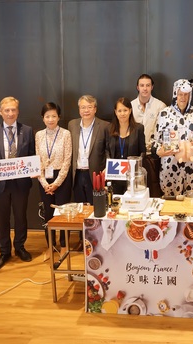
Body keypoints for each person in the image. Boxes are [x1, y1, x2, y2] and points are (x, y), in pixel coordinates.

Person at [0, 97, 35, 272]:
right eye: (7, 110)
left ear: (18, 111)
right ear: (0, 112)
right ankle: (4, 252)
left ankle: (19, 247)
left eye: (13, 110)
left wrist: (34, 168)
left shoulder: (27, 131)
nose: (10, 113)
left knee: (20, 217)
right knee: (2, 219)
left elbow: (33, 155)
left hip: (21, 184)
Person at [68, 95, 109, 250]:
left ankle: (97, 240)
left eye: (89, 107)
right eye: (83, 107)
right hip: (77, 173)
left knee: (96, 208)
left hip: (96, 174)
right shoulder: (72, 125)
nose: (86, 110)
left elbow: (107, 150)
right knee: (80, 208)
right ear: (79, 109)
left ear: (95, 109)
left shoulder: (104, 126)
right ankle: (82, 240)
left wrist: (106, 170)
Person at [152, 79, 193, 196]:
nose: (183, 98)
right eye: (180, 94)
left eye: (186, 95)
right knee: (171, 206)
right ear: (175, 94)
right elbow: (155, 140)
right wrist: (160, 151)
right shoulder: (164, 114)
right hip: (170, 168)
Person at [35, 102, 72, 261]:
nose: (51, 119)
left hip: (61, 178)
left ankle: (64, 245)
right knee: (48, 215)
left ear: (59, 117)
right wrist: (44, 183)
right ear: (43, 118)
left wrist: (57, 182)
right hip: (44, 178)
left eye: (54, 116)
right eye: (47, 116)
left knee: (62, 214)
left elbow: (67, 160)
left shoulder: (66, 134)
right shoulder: (38, 135)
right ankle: (51, 246)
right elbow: (37, 160)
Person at [131, 74, 166, 197]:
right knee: (135, 188)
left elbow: (163, 133)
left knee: (154, 188)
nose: (145, 88)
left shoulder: (160, 106)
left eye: (147, 85)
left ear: (152, 87)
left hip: (153, 155)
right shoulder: (130, 106)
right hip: (135, 156)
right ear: (137, 87)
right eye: (142, 85)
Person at [107, 97, 146, 195]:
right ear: (115, 112)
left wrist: (137, 167)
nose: (122, 113)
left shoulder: (138, 129)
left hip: (132, 175)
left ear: (130, 111)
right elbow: (106, 150)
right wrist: (107, 166)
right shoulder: (109, 129)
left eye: (125, 110)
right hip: (115, 175)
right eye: (119, 111)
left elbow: (142, 151)